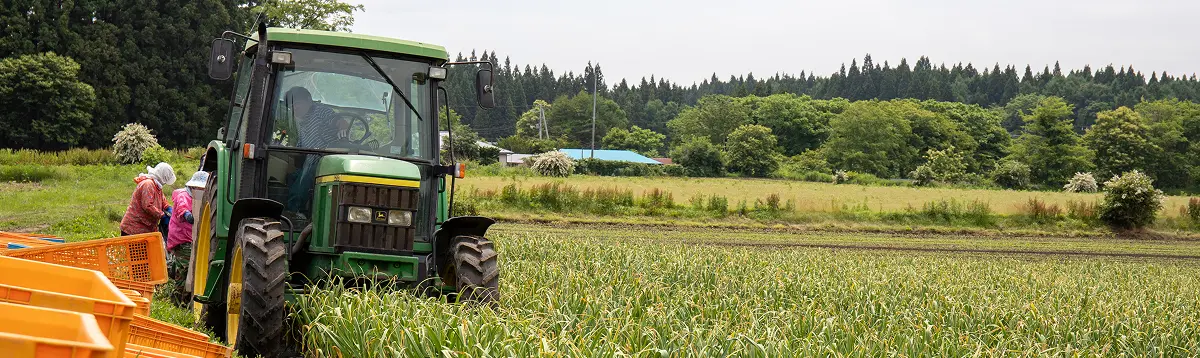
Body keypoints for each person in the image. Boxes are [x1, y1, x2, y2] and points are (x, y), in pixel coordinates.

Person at [285, 87, 339, 213]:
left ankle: (295, 213)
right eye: (292, 107)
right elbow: (300, 147)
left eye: (298, 104)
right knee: (292, 177)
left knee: (300, 187)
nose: (295, 109)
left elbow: (341, 122)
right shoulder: (302, 123)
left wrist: (342, 127)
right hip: (309, 162)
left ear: (309, 101)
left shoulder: (321, 112)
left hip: (323, 161)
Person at [166, 171, 207, 306]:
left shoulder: (200, 199)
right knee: (185, 268)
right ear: (193, 187)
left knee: (190, 267)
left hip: (191, 238)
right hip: (181, 239)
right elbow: (182, 210)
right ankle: (177, 301)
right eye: (199, 188)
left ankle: (185, 299)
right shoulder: (183, 196)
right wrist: (188, 215)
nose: (201, 190)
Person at [120, 162, 175, 236]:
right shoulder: (148, 184)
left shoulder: (157, 187)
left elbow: (163, 202)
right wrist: (162, 215)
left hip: (146, 228)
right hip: (133, 228)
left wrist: (169, 209)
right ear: (162, 177)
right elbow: (147, 206)